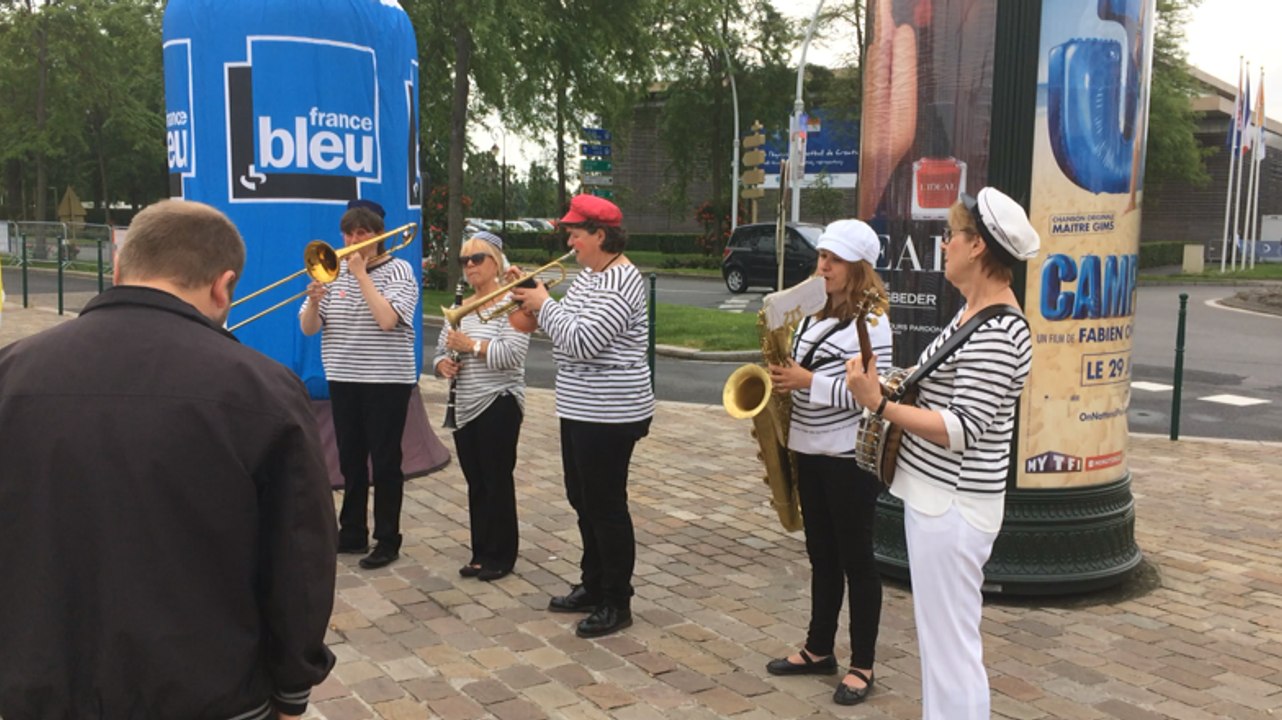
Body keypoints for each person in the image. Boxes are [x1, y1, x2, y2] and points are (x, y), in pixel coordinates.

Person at [0, 199, 336, 720]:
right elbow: (301, 557)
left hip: (35, 690)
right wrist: (293, 689)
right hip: (209, 694)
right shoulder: (266, 389)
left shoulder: (11, 371)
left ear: (118, 269)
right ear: (224, 286)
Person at [845, 187, 1038, 719]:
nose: (944, 244)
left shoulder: (1000, 330)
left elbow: (962, 429)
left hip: (954, 507)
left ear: (977, 246)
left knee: (952, 650)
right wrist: (884, 387)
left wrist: (878, 405)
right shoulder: (973, 313)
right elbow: (937, 395)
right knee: (941, 644)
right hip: (939, 502)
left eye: (952, 235)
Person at [509, 194, 655, 639]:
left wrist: (543, 303)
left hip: (611, 411)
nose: (568, 239)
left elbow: (581, 341)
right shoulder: (590, 277)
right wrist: (536, 298)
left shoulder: (623, 281)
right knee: (581, 498)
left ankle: (617, 600)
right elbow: (560, 324)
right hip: (578, 406)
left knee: (607, 506)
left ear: (600, 235)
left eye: (575, 232)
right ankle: (593, 583)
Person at [763, 219, 894, 706]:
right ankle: (819, 648)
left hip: (847, 457)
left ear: (859, 268)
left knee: (857, 560)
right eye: (821, 256)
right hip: (810, 449)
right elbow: (799, 371)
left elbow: (870, 395)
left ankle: (863, 663)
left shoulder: (873, 322)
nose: (823, 266)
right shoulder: (813, 315)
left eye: (834, 259)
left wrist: (805, 382)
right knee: (821, 556)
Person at [300, 198, 420, 570]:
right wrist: (314, 303)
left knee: (385, 462)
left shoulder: (400, 270)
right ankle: (351, 531)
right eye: (349, 232)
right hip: (343, 376)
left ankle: (387, 539)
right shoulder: (329, 272)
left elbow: (387, 320)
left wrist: (363, 275)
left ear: (378, 236)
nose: (354, 239)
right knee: (350, 460)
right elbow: (308, 329)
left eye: (362, 233)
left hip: (386, 379)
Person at [433, 231, 529, 582]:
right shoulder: (460, 307)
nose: (469, 266)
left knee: (496, 479)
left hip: (499, 400)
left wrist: (471, 346)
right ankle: (480, 551)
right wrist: (443, 364)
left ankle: (502, 555)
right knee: (475, 480)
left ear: (496, 262)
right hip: (465, 403)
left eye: (477, 259)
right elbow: (442, 351)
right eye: (464, 260)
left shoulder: (513, 302)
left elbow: (512, 356)